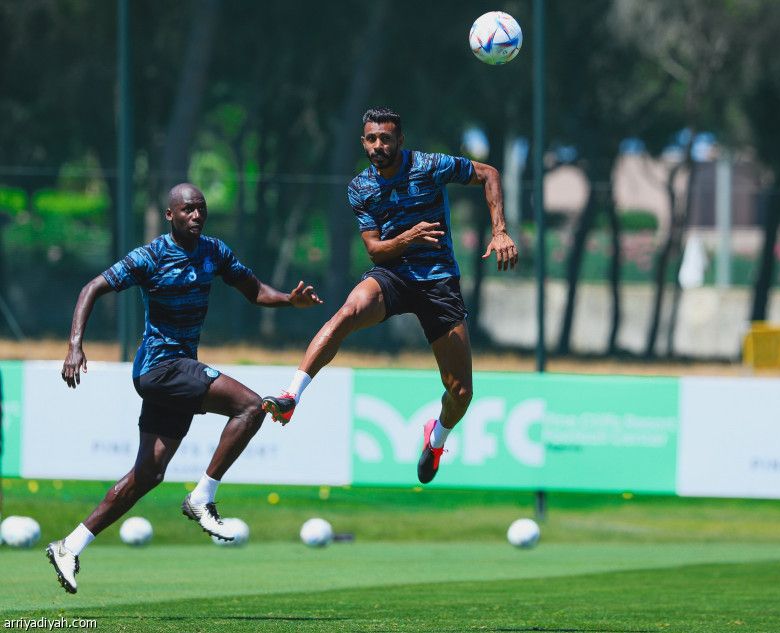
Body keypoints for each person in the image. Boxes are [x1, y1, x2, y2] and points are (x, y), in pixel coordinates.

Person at [47, 183, 320, 594]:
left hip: (173, 376)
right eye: (188, 209)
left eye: (201, 209)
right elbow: (92, 288)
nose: (196, 215)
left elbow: (255, 291)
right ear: (170, 215)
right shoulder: (151, 256)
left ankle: (70, 545)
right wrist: (74, 345)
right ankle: (201, 498)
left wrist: (289, 300)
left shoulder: (214, 251)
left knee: (149, 473)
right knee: (249, 406)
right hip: (160, 368)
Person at [262, 107, 518, 484]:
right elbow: (376, 251)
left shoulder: (430, 165)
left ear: (400, 140)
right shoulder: (360, 187)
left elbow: (489, 174)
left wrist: (499, 231)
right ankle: (291, 396)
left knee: (461, 392)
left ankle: (436, 438)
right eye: (371, 139)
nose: (379, 145)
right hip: (392, 273)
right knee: (347, 313)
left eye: (386, 138)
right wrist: (409, 237)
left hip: (438, 280)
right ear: (363, 142)